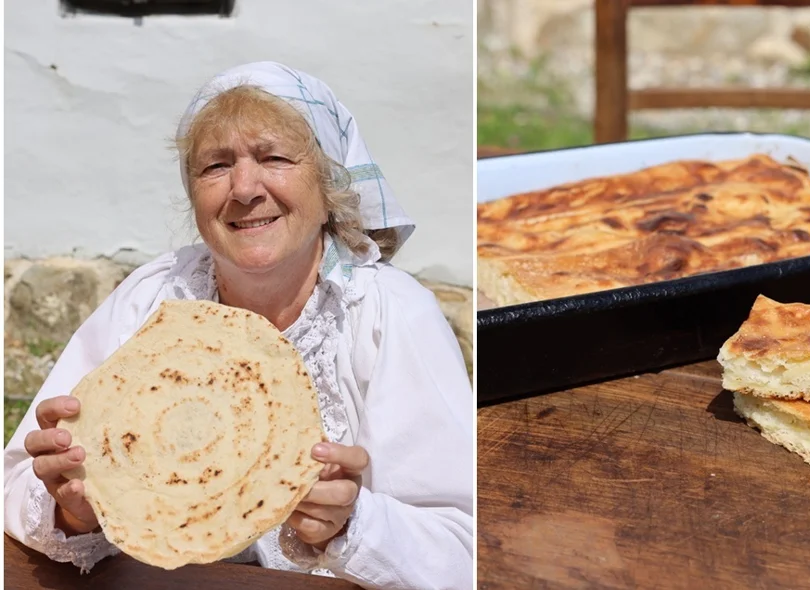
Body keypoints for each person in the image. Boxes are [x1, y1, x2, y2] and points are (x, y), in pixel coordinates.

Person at [3, 62, 474, 589]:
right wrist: (74, 512)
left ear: (329, 187)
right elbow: (15, 484)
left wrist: (351, 523)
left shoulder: (389, 315)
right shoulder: (153, 298)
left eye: (274, 158)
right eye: (215, 166)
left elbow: (462, 550)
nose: (244, 188)